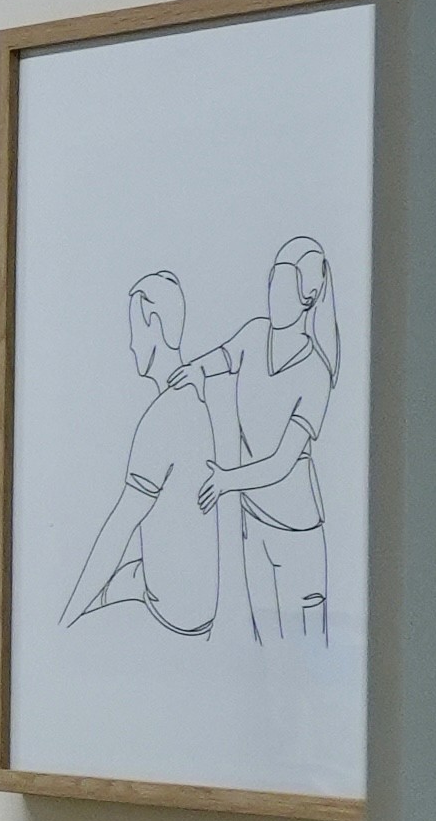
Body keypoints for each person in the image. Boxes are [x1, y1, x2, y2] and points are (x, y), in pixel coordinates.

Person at [61, 274, 221, 637]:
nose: (132, 345)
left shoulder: (163, 417)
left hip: (173, 614)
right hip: (194, 602)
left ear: (155, 324)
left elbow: (119, 529)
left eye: (135, 329)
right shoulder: (195, 401)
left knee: (81, 615)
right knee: (115, 583)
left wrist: (66, 619)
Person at [201, 235, 341, 649]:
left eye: (284, 287)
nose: (273, 297)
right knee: (268, 653)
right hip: (255, 525)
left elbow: (282, 462)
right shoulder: (254, 334)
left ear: (308, 297)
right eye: (272, 284)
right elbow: (222, 357)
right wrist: (193, 370)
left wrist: (226, 480)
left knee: (308, 650)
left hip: (298, 533)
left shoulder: (316, 372)